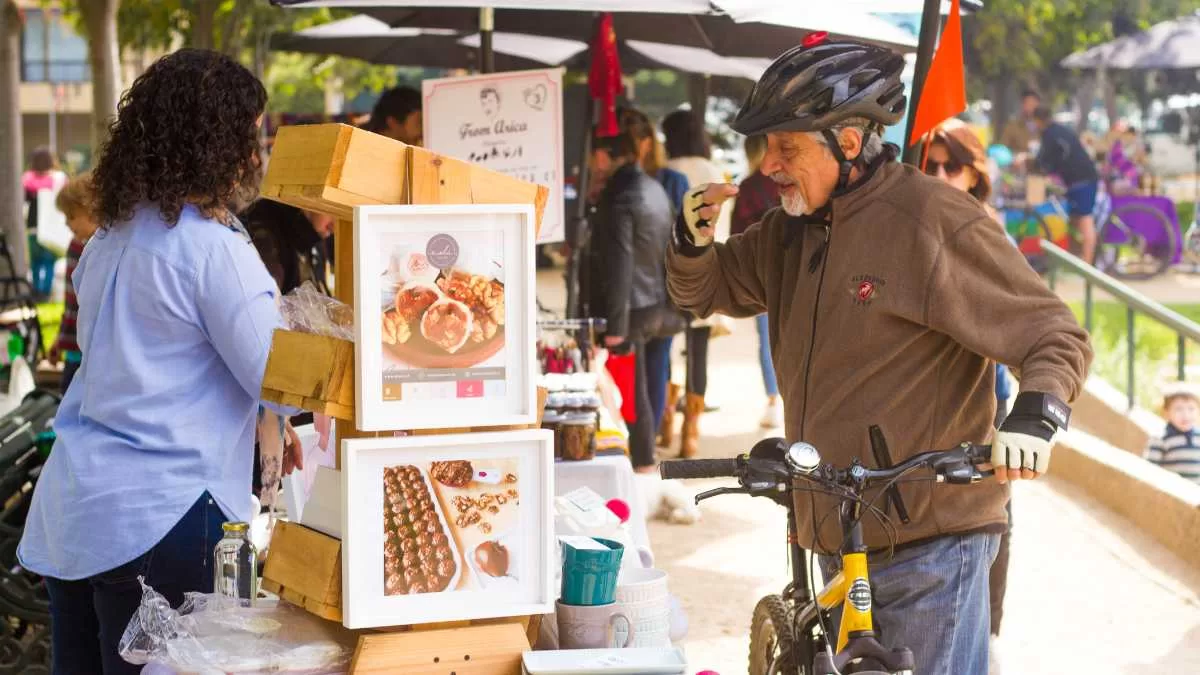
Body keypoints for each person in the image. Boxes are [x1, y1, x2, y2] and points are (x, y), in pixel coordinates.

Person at [668, 38, 1092, 674]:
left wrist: (1035, 415)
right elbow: (706, 291)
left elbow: (1054, 333)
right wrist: (691, 242)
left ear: (845, 140)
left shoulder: (931, 219)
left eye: (788, 145)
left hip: (930, 543)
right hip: (840, 533)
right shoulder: (790, 230)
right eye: (767, 147)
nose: (769, 167)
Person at [17, 49, 302, 674]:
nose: (255, 154)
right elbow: (282, 374)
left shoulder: (113, 234)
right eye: (249, 135)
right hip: (164, 514)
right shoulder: (210, 247)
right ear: (217, 142)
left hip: (79, 511)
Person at [922, 119, 1017, 673]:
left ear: (974, 175)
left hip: (985, 397)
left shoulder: (985, 230)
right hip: (924, 395)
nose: (937, 175)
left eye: (949, 166)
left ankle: (988, 630)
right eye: (929, 164)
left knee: (992, 514)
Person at [586, 126, 675, 473]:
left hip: (630, 309)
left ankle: (642, 462)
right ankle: (645, 455)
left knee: (631, 393)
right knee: (648, 382)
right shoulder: (653, 186)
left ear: (605, 156)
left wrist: (616, 326)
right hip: (654, 301)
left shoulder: (620, 195)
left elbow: (620, 262)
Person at [617, 107, 689, 448]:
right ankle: (642, 441)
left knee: (654, 366)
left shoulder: (670, 181)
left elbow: (682, 238)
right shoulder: (665, 181)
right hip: (644, 291)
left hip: (657, 291)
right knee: (642, 369)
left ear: (645, 143)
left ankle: (646, 443)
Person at [662, 108, 729, 457]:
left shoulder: (668, 172)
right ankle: (692, 433)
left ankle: (666, 425)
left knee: (668, 351)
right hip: (710, 275)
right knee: (698, 353)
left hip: (672, 275)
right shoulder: (715, 173)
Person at [731, 134, 782, 429]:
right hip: (793, 267)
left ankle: (773, 401)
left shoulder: (747, 187)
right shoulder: (785, 180)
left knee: (767, 341)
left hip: (760, 276)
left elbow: (737, 237)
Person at [49, 172, 99, 395]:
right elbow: (71, 303)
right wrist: (60, 340)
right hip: (74, 350)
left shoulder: (104, 251)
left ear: (92, 210)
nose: (67, 223)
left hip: (93, 352)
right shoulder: (76, 246)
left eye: (72, 216)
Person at [1031, 106, 1100, 265]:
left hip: (1082, 180)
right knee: (1075, 219)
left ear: (1037, 121)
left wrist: (1038, 168)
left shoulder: (1051, 134)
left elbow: (1044, 158)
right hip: (1079, 179)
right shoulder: (1060, 130)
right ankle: (1078, 259)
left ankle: (1088, 266)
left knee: (1085, 219)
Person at [22, 147, 68, 299]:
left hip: (33, 226)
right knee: (48, 262)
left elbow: (24, 200)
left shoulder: (27, 179)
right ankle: (45, 292)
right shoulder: (58, 178)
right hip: (50, 227)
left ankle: (36, 291)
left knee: (35, 262)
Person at [1144, 385, 1200, 484]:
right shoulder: (1160, 438)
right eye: (1178, 409)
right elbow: (1150, 469)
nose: (1186, 415)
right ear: (1166, 413)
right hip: (1173, 493)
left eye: (1191, 409)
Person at [999, 89, 1041, 155]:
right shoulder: (1012, 126)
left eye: (1033, 104)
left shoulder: (1046, 127)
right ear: (1022, 105)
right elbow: (1003, 149)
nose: (1031, 108)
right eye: (1028, 104)